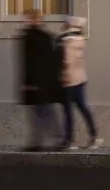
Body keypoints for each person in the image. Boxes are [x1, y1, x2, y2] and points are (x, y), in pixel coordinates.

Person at [18, 9, 62, 151]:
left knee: (42, 111)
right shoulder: (45, 37)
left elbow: (30, 62)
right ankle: (46, 140)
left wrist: (29, 82)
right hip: (44, 82)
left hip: (37, 82)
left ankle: (45, 141)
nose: (25, 20)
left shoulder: (30, 37)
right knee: (42, 111)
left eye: (28, 18)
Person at [59, 17, 99, 150]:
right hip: (80, 78)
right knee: (83, 107)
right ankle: (94, 135)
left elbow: (67, 61)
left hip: (69, 80)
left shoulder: (68, 41)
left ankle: (69, 140)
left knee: (68, 111)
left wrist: (63, 76)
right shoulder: (80, 40)